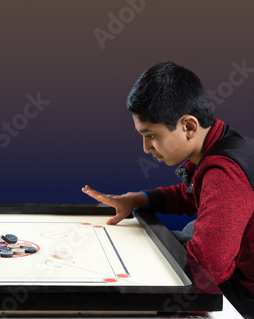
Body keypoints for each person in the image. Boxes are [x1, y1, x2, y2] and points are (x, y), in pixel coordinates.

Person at [82, 62, 254, 318]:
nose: (146, 148)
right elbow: (193, 195)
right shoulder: (221, 144)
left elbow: (210, 269)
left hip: (243, 293)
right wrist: (138, 199)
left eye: (150, 135)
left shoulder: (224, 174)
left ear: (189, 127)